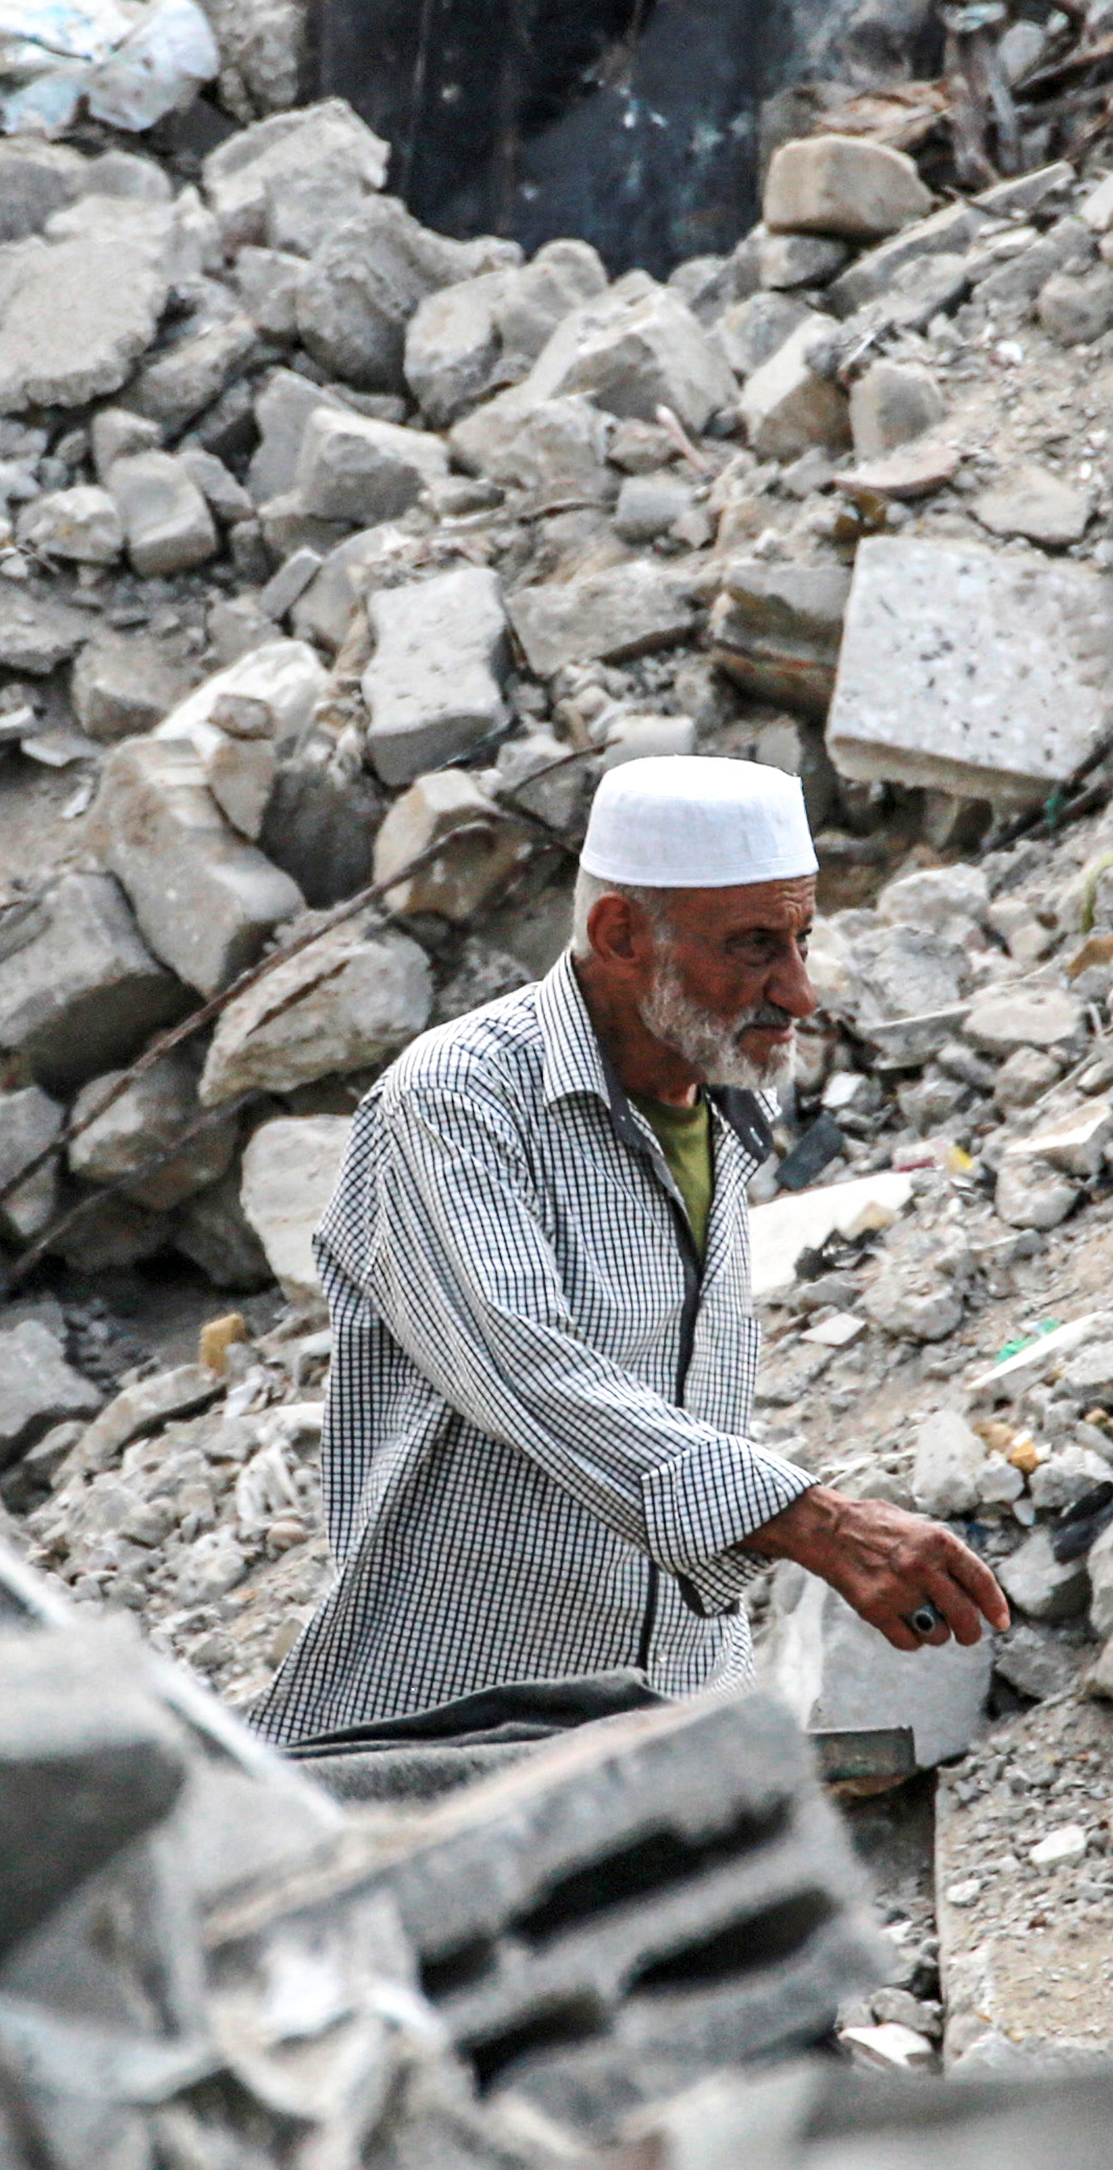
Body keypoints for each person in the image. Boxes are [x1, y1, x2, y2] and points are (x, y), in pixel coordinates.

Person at [248, 752, 1012, 1757]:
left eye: (801, 940)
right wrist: (817, 1524)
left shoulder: (719, 1097)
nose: (799, 990)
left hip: (670, 1719)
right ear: (620, 935)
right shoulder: (456, 1097)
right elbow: (529, 1369)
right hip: (454, 1725)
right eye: (754, 946)